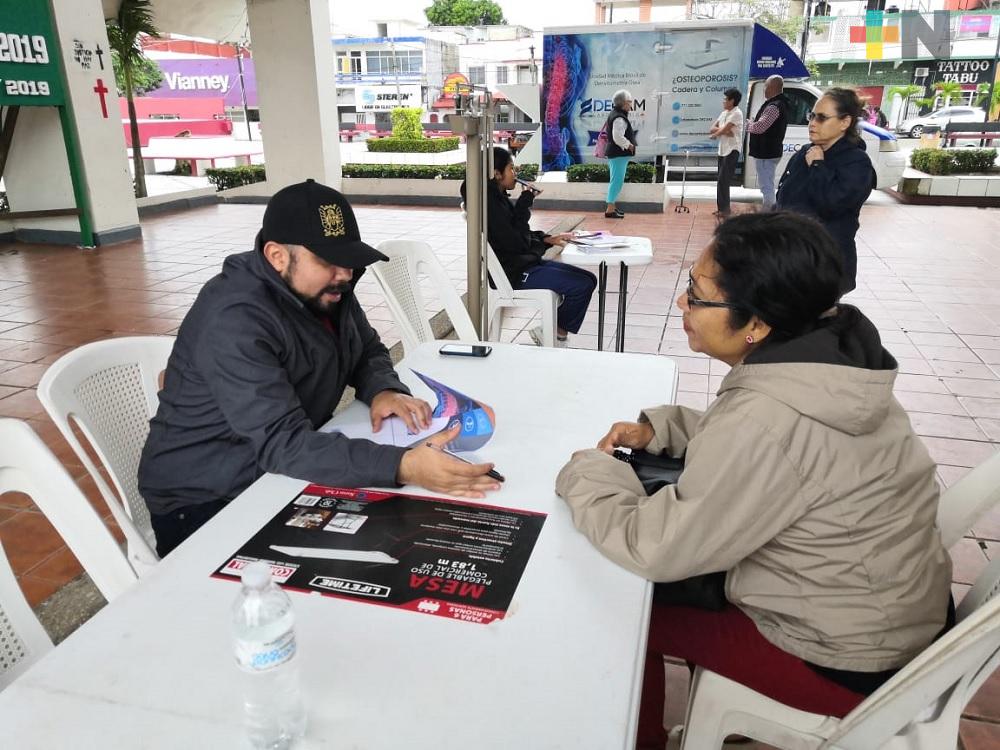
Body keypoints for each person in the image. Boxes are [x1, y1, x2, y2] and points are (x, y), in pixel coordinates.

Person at [555, 211, 953, 750]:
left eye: (697, 296)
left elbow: (658, 547)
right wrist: (665, 429)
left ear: (758, 325)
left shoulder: (767, 417)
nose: (682, 306)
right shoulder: (834, 367)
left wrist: (591, 472)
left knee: (625, 613)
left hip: (842, 659)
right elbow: (781, 456)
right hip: (885, 613)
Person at [138, 180, 500, 557]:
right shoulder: (235, 320)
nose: (344, 273)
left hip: (273, 471)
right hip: (206, 498)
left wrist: (382, 389)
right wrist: (404, 465)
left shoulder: (326, 290)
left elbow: (367, 349)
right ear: (277, 255)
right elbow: (283, 443)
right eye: (328, 260)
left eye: (347, 258)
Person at [462, 147, 596, 346]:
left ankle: (554, 332)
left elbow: (517, 235)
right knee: (582, 284)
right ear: (497, 173)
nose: (515, 174)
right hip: (514, 275)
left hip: (524, 264)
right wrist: (524, 204)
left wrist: (547, 239)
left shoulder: (497, 199)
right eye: (511, 169)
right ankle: (554, 333)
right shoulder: (490, 205)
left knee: (589, 279)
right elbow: (516, 241)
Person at [777, 87, 876, 294]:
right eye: (811, 116)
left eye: (822, 118)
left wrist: (818, 167)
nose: (812, 123)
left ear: (844, 123)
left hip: (825, 265)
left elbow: (831, 204)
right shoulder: (807, 152)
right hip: (793, 259)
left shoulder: (856, 162)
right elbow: (784, 197)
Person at [745, 75, 788, 210]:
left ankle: (768, 213)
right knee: (766, 184)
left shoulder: (774, 107)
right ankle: (769, 211)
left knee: (766, 186)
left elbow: (759, 128)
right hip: (769, 151)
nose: (764, 89)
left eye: (766, 86)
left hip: (766, 153)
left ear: (772, 87)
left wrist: (748, 125)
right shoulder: (779, 104)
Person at [709, 88, 745, 218]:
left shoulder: (737, 113)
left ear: (732, 101)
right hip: (722, 149)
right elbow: (712, 128)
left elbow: (721, 131)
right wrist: (723, 131)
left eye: (726, 99)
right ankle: (722, 208)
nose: (723, 101)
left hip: (732, 150)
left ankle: (725, 209)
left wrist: (720, 132)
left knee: (723, 179)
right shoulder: (724, 113)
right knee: (720, 180)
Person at [604, 89, 638, 219]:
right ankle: (610, 209)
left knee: (616, 181)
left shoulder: (617, 114)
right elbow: (617, 136)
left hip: (616, 154)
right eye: (629, 101)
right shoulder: (619, 117)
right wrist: (629, 145)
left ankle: (612, 208)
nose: (631, 104)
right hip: (618, 154)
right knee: (617, 182)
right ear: (623, 103)